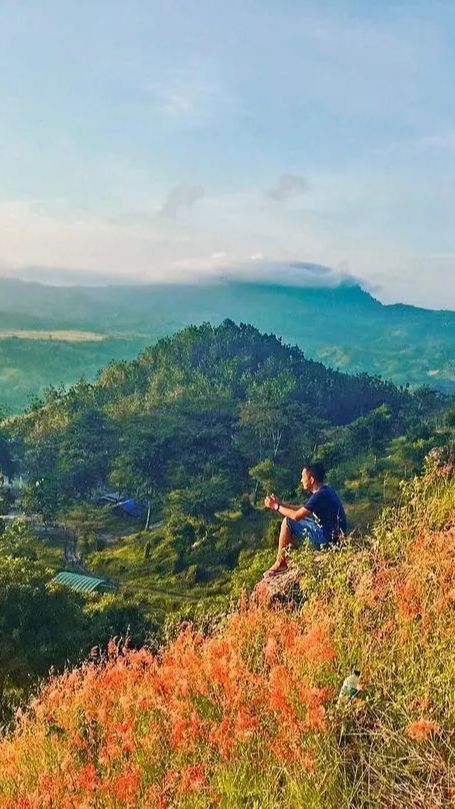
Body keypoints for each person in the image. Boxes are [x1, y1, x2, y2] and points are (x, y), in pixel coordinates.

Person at [263, 462, 347, 577]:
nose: (301, 480)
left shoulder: (319, 496)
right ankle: (288, 560)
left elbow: (296, 516)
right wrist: (281, 504)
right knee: (291, 520)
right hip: (334, 536)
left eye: (303, 477)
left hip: (328, 539)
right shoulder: (325, 490)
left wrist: (275, 506)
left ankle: (280, 563)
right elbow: (303, 509)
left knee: (288, 522)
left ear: (311, 479)